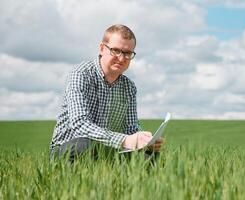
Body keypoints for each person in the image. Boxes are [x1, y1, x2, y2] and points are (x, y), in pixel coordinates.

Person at [50, 24, 163, 162]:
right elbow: (79, 124)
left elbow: (131, 127)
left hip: (107, 148)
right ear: (102, 48)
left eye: (127, 53)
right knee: (85, 144)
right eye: (116, 50)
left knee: (149, 155)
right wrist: (125, 140)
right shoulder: (80, 75)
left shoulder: (129, 87)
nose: (121, 58)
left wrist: (144, 140)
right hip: (68, 149)